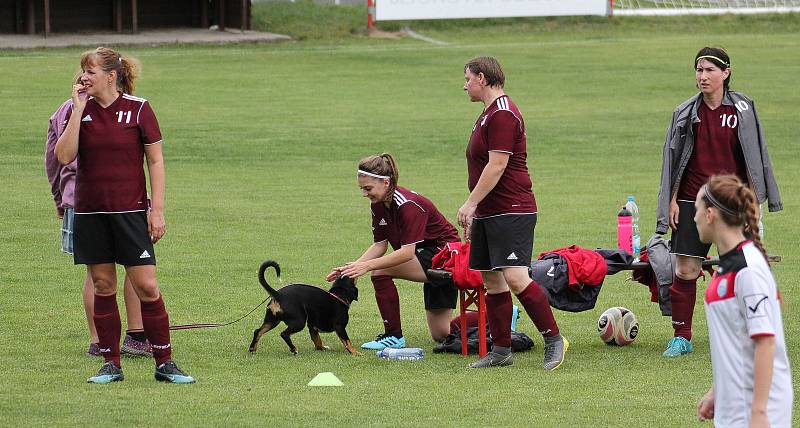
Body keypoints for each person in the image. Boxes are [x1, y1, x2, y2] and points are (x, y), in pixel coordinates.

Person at [54, 47, 194, 384]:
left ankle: (164, 362)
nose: (84, 77)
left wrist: (156, 210)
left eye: (90, 71)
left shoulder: (138, 109)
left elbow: (156, 161)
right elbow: (64, 156)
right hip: (90, 213)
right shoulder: (79, 112)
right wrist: (77, 111)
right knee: (103, 285)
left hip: (131, 212)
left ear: (111, 75)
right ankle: (110, 365)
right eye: (82, 71)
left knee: (146, 285)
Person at [656, 47, 782, 358]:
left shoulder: (743, 109)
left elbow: (755, 157)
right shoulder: (685, 112)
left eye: (710, 70)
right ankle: (681, 337)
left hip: (731, 201)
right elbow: (671, 161)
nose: (702, 76)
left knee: (744, 270)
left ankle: (751, 332)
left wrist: (755, 201)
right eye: (699, 70)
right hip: (690, 200)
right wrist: (671, 200)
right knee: (685, 268)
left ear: (725, 73)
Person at [457, 56, 567, 370]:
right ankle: (501, 350)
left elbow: (497, 165)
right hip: (490, 212)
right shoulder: (488, 114)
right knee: (492, 280)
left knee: (516, 277)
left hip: (512, 209)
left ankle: (554, 339)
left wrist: (470, 203)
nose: (464, 86)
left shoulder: (503, 113)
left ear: (481, 77)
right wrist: (477, 211)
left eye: (467, 79)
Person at [46, 79, 153, 359]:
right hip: (94, 204)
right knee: (122, 270)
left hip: (88, 202)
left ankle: (101, 339)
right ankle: (133, 335)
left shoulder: (67, 109)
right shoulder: (73, 110)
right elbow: (60, 155)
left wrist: (59, 198)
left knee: (103, 274)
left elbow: (50, 160)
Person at [327, 153, 460, 350]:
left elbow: (406, 253)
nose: (364, 194)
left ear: (386, 182)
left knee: (379, 271)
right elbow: (380, 244)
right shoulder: (378, 204)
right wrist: (351, 269)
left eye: (368, 188)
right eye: (362, 189)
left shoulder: (408, 205)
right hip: (422, 255)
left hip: (444, 254)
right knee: (442, 334)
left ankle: (394, 336)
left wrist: (366, 267)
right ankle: (503, 315)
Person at [694, 175, 792, 427]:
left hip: (755, 408)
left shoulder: (748, 270)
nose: (693, 218)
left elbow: (765, 341)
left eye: (696, 210)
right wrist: (717, 390)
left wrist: (759, 412)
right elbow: (734, 338)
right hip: (733, 404)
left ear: (710, 214)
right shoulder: (726, 266)